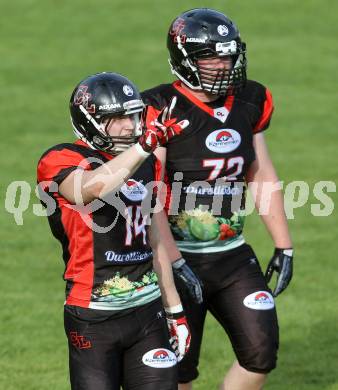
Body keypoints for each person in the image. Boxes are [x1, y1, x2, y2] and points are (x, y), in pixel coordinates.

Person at [141, 8, 294, 390]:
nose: (224, 64)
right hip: (175, 259)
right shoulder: (160, 107)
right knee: (177, 369)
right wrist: (174, 264)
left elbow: (261, 174)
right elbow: (151, 197)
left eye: (228, 54)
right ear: (185, 58)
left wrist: (284, 245)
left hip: (232, 254)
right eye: (212, 55)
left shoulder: (251, 99)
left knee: (261, 352)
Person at [37, 71, 194, 390]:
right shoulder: (60, 158)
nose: (129, 125)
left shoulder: (147, 161)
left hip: (148, 313)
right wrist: (144, 147)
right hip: (94, 316)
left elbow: (154, 239)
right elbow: (89, 188)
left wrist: (175, 309)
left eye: (133, 115)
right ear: (88, 120)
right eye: (117, 118)